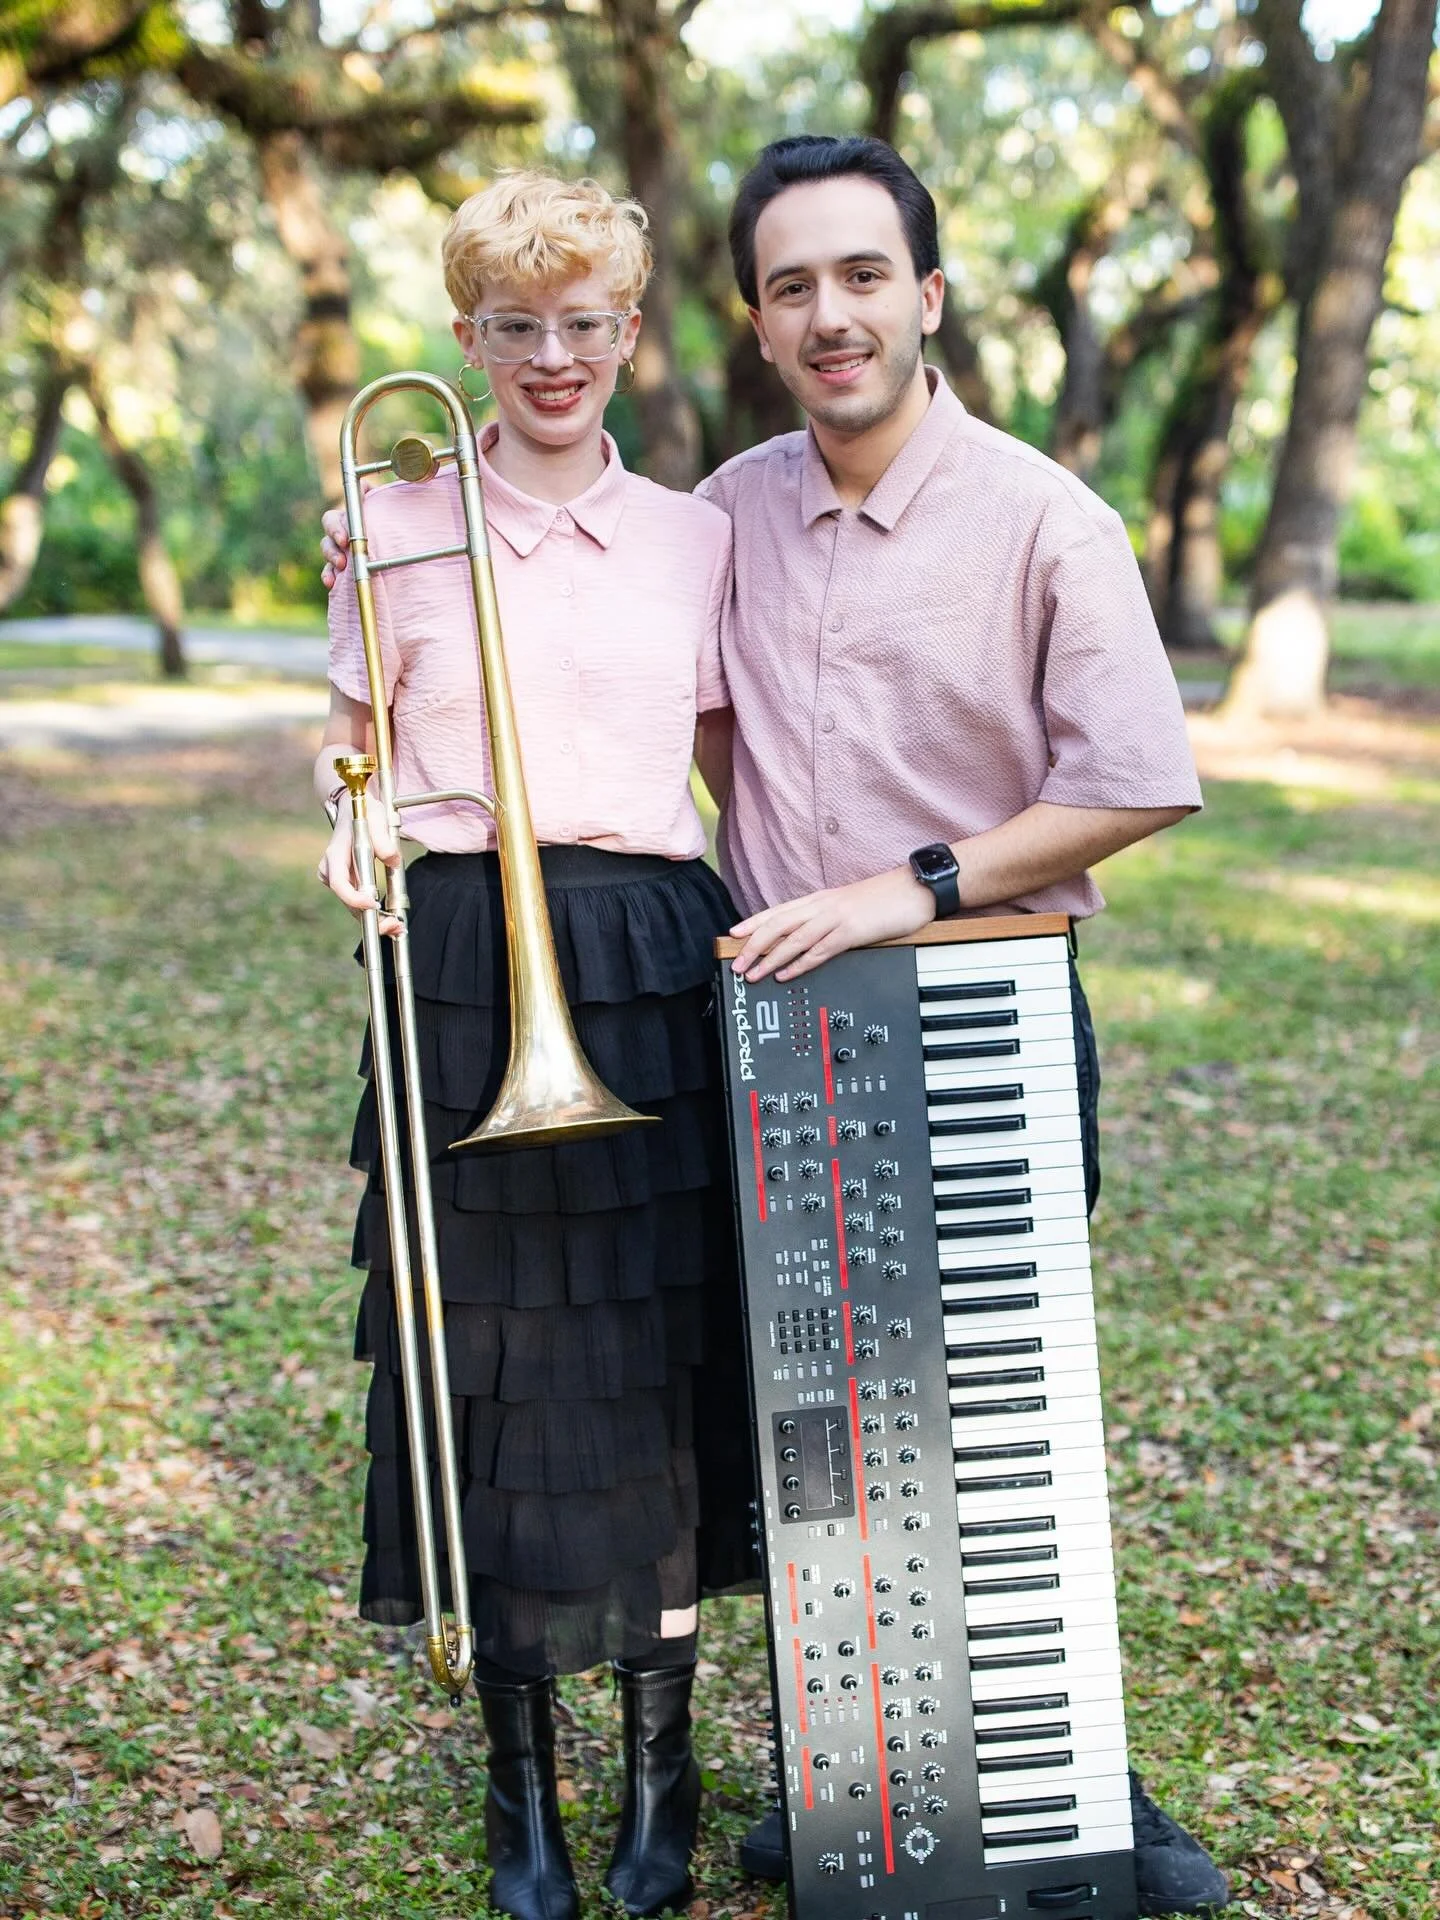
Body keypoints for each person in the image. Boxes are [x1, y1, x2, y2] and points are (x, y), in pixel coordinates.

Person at [321, 139, 1231, 1917]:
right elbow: (699, 747)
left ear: (929, 295)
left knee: (982, 1419)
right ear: (753, 319)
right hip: (760, 1012)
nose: (833, 314)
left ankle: (1071, 1786)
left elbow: (1137, 779)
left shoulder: (1044, 514)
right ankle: (864, 1785)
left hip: (968, 987)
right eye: (795, 284)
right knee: (815, 1417)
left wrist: (916, 887)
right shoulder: (727, 504)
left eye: (864, 276)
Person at [314, 169, 755, 1920]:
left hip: (644, 959)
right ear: (467, 340)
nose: (553, 356)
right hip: (457, 967)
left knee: (647, 1364)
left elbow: (740, 755)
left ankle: (660, 1768)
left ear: (630, 335)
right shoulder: (394, 519)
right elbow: (348, 740)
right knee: (486, 1373)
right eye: (517, 326)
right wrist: (346, 831)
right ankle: (521, 1790)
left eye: (586, 323)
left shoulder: (697, 535)